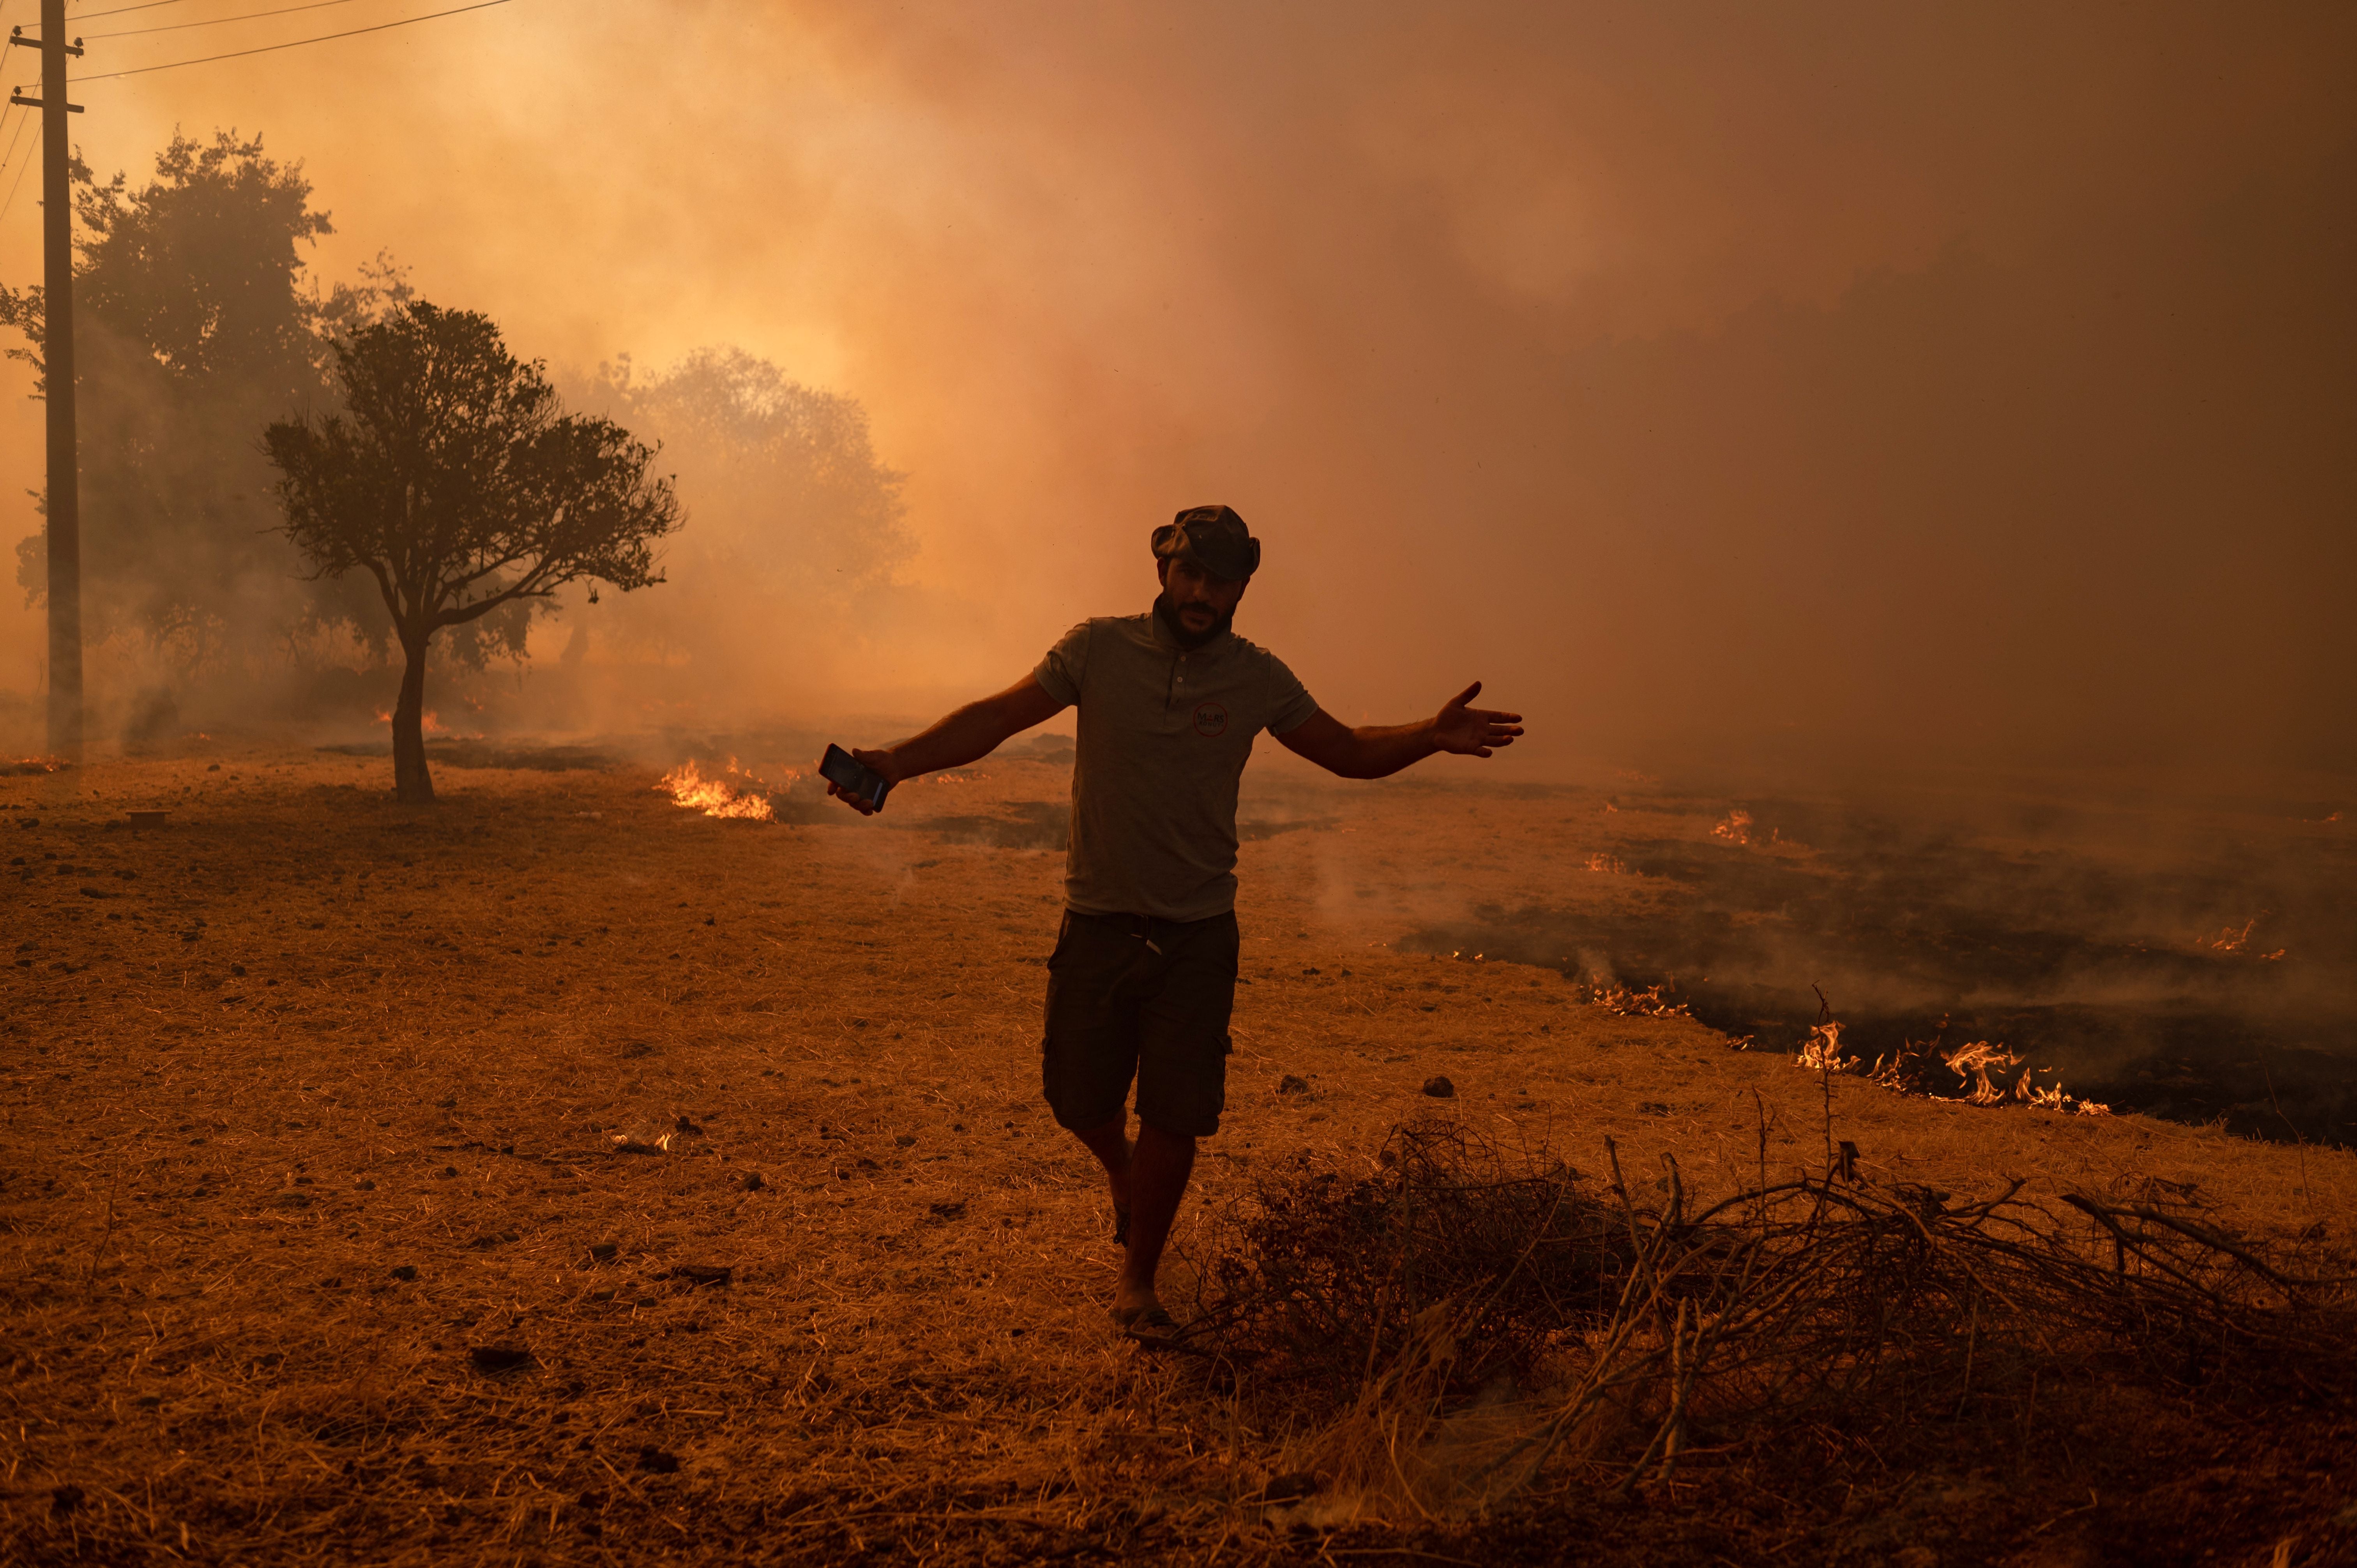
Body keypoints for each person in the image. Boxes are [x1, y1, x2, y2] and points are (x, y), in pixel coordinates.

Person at [827, 505, 1523, 1332]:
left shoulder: (1258, 676)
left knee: (1175, 1112)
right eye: (1190, 572)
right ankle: (1120, 1168)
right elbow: (999, 715)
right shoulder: (1097, 648)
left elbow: (1347, 750)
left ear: (1240, 589)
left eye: (1220, 579)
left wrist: (1427, 735)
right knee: (1074, 1097)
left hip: (1197, 933)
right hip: (1098, 920)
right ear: (1163, 570)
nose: (1202, 592)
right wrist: (899, 761)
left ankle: (1138, 1279)